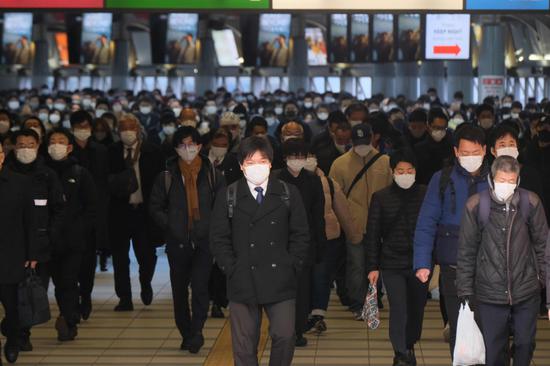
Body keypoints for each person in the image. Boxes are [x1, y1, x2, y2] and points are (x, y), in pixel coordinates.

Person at [210, 136, 310, 366]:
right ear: (241, 165)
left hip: (280, 277)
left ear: (271, 163)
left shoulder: (287, 192)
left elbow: (301, 234)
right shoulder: (229, 195)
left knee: (285, 336)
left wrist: (292, 264)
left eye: (262, 160)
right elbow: (218, 237)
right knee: (244, 345)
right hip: (243, 278)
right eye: (250, 161)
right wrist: (230, 267)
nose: (257, 166)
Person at [457, 156, 548, 366]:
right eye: (501, 180)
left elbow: (544, 245)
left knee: (525, 343)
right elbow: (466, 250)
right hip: (490, 292)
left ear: (517, 181)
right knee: (494, 350)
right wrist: (465, 290)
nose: (505, 185)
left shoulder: (530, 202)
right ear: (491, 178)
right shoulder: (476, 205)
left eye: (511, 181)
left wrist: (541, 280)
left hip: (526, 290)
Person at [413, 124, 490, 357]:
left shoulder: (498, 178)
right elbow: (426, 222)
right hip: (453, 266)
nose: (470, 158)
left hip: (491, 267)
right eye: (465, 153)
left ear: (485, 150)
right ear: (456, 152)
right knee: (460, 328)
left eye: (475, 153)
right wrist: (422, 262)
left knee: (490, 328)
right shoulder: (442, 179)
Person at [149, 126, 224, 353]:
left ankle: (197, 331)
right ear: (176, 149)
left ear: (200, 146)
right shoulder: (167, 176)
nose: (188, 149)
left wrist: (212, 231)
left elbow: (222, 207)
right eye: (183, 145)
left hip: (204, 241)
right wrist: (172, 225)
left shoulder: (213, 175)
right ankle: (186, 330)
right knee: (179, 290)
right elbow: (155, 206)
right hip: (177, 241)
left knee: (200, 287)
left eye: (192, 144)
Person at [366, 151, 428, 366]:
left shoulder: (425, 194)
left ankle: (409, 345)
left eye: (409, 171)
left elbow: (432, 229)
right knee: (399, 308)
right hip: (391, 263)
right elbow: (372, 234)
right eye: (400, 171)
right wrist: (372, 266)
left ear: (416, 172)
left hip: (419, 263)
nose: (405, 174)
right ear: (393, 173)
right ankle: (400, 353)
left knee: (416, 309)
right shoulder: (381, 197)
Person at [7, 129, 66, 351]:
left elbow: (59, 209)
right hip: (12, 245)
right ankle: (17, 330)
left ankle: (23, 332)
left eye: (29, 144)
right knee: (13, 291)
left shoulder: (47, 175)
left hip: (41, 243)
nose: (25, 149)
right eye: (20, 145)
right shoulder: (7, 174)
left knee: (31, 290)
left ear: (38, 146)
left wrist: (49, 234)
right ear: (13, 147)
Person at [329, 124, 393, 318]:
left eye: (364, 142)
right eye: (358, 143)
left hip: (379, 224)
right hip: (352, 223)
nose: (361, 146)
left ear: (372, 138)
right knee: (356, 264)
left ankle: (374, 299)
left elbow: (392, 191)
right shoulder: (339, 164)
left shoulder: (384, 162)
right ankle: (358, 302)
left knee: (376, 264)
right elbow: (334, 196)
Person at [45, 128, 98, 341]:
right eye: (52, 141)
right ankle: (69, 313)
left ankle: (68, 320)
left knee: (68, 279)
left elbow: (92, 206)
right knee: (58, 281)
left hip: (73, 239)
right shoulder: (41, 173)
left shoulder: (79, 173)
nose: (56, 145)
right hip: (47, 239)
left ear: (68, 147)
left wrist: (80, 228)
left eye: (61, 141)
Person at [107, 114, 164, 311]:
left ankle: (145, 282)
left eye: (131, 128)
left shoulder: (152, 152)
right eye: (123, 128)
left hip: (144, 212)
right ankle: (124, 297)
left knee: (147, 255)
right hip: (119, 212)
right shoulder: (112, 152)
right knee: (120, 258)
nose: (127, 132)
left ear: (138, 130)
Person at [303, 148, 362, 333]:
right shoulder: (290, 183)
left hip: (327, 239)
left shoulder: (328, 183)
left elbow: (343, 211)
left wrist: (354, 235)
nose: (309, 161)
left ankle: (318, 315)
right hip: (302, 240)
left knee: (322, 277)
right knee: (304, 279)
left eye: (311, 156)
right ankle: (304, 314)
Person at [276, 139, 327, 347]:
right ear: (284, 158)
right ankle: (282, 329)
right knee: (281, 290)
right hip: (279, 243)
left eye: (301, 157)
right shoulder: (276, 180)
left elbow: (318, 215)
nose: (297, 161)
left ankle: (298, 330)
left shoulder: (313, 181)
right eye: (293, 156)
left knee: (302, 290)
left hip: (305, 243)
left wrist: (320, 244)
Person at [69, 110, 110, 320]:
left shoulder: (100, 151)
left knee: (88, 261)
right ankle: (74, 298)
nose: (82, 130)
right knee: (71, 262)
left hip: (93, 214)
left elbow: (104, 183)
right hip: (71, 216)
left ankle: (86, 294)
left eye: (86, 126)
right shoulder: (66, 151)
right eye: (78, 126)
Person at [0, 142, 37, 364]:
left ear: (3, 156)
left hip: (10, 253)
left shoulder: (19, 183)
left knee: (11, 303)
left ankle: (13, 340)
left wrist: (32, 253)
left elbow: (31, 221)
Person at [414, 108, 454, 185]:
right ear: (428, 127)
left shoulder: (451, 146)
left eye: (443, 128)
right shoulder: (419, 148)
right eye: (436, 127)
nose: (439, 131)